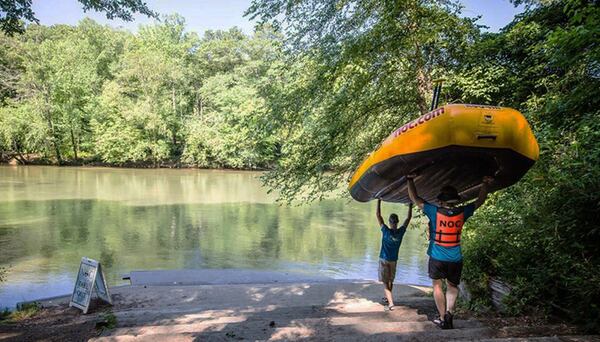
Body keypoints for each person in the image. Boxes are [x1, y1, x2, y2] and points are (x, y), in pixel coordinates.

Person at [406, 175, 493, 329]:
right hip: (455, 258)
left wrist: (410, 180)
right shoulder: (463, 212)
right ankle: (449, 313)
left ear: (441, 201)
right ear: (456, 200)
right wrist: (485, 183)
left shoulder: (434, 211)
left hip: (437, 257)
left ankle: (441, 317)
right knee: (452, 286)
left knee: (437, 286)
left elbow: (415, 198)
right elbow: (480, 201)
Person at [376, 199, 413, 311]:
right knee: (391, 280)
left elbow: (378, 215)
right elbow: (408, 219)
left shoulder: (385, 231)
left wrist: (379, 200)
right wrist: (410, 206)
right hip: (393, 260)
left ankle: (391, 303)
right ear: (397, 222)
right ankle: (389, 298)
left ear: (390, 222)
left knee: (385, 282)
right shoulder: (401, 232)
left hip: (384, 259)